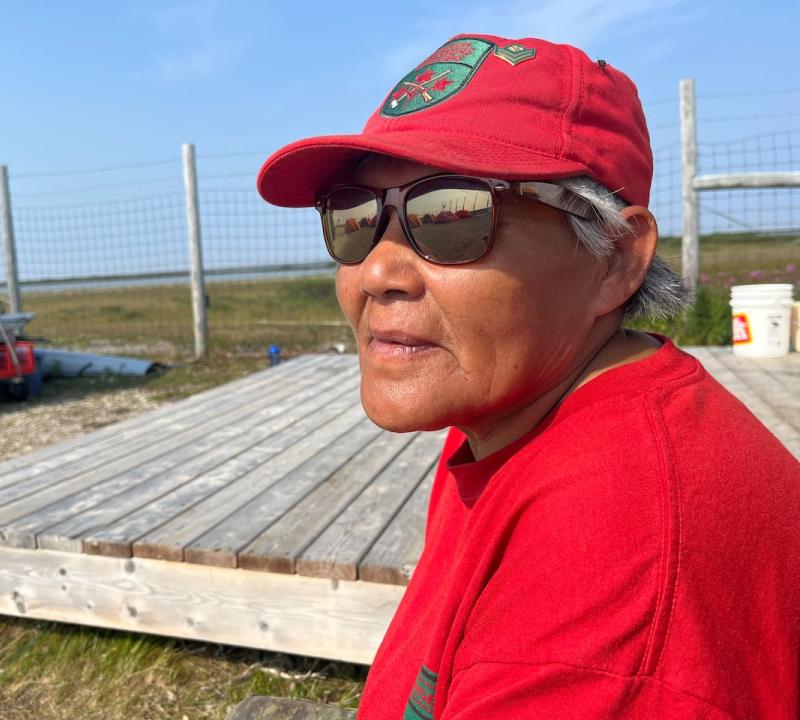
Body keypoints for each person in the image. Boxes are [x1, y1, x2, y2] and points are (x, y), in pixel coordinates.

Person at [256, 34, 800, 720]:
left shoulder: (612, 573)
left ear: (616, 259)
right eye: (353, 218)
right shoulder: (513, 421)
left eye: (450, 216)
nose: (376, 272)